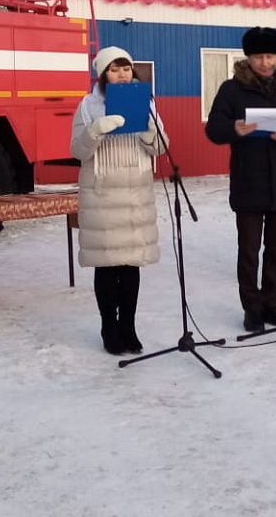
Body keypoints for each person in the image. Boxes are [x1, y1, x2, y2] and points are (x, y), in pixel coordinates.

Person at [70, 46, 166, 355]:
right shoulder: (87, 106)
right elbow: (77, 151)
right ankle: (108, 328)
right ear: (102, 75)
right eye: (114, 69)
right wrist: (95, 131)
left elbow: (161, 149)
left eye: (126, 68)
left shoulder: (146, 101)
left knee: (130, 264)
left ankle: (129, 326)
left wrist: (152, 133)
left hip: (135, 192)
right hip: (102, 192)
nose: (122, 74)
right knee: (107, 266)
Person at [205, 27, 276, 332]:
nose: (265, 62)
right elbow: (214, 130)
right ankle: (252, 308)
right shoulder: (232, 90)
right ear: (249, 57)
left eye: (270, 56)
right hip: (249, 181)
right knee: (249, 250)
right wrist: (235, 128)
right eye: (259, 56)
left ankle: (271, 304)